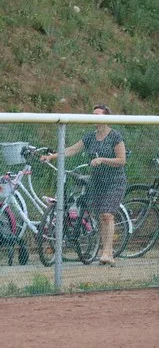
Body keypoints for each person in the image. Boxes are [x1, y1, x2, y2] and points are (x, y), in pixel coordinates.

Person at [41, 104, 127, 266]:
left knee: (108, 215)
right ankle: (104, 250)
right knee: (101, 216)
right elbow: (72, 150)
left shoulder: (115, 136)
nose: (94, 117)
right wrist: (52, 156)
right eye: (92, 114)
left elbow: (121, 160)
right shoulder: (90, 137)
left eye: (98, 114)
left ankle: (108, 252)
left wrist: (102, 160)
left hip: (114, 181)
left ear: (107, 117)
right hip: (97, 181)